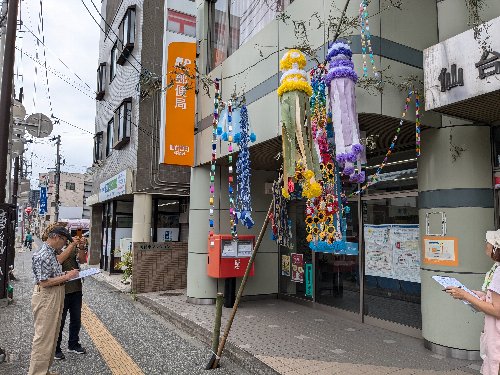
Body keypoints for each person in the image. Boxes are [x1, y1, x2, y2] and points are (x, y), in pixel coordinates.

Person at [446, 229, 500, 375]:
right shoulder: (497, 268)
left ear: (496, 248)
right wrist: (481, 295)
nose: (486, 245)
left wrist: (465, 295)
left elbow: (497, 310)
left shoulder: (499, 272)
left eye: (488, 242)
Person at [28, 224, 79, 375]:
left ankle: (44, 370)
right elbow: (43, 282)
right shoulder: (43, 254)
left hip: (54, 294)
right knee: (43, 337)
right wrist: (67, 276)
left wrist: (65, 274)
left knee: (52, 335)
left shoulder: (51, 253)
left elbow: (52, 273)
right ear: (56, 237)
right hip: (47, 296)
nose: (64, 244)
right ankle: (37, 373)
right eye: (64, 240)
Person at [54, 235, 87, 360]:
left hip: (76, 288)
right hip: (61, 289)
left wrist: (81, 247)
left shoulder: (72, 246)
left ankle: (73, 344)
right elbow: (59, 261)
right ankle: (56, 348)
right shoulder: (53, 250)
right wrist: (72, 245)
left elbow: (82, 260)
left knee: (76, 319)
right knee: (60, 321)